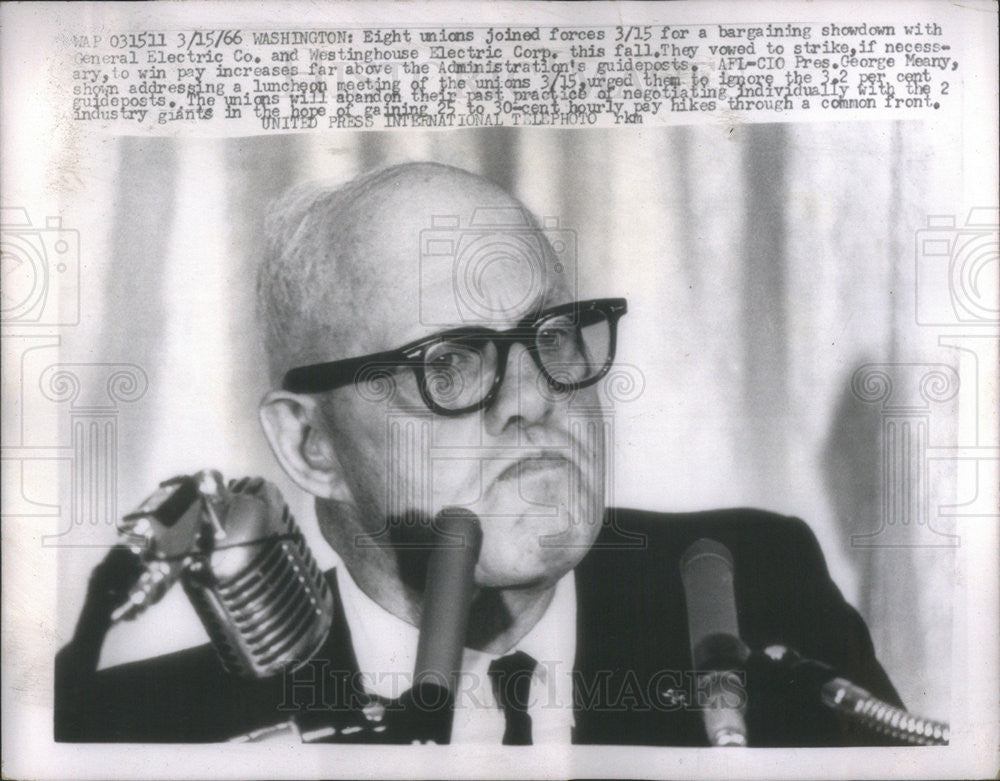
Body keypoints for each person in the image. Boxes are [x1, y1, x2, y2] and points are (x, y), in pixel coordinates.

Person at [55, 162, 901, 745]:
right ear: (312, 445)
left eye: (554, 335)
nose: (533, 396)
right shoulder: (144, 725)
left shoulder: (752, 585)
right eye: (448, 363)